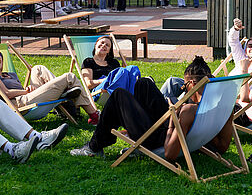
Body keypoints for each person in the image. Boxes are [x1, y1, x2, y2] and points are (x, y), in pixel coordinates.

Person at [71, 57, 233, 160]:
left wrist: (174, 117)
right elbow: (223, 147)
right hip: (174, 131)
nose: (183, 88)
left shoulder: (188, 111)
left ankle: (94, 146)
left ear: (191, 84)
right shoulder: (224, 106)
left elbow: (169, 154)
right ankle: (132, 119)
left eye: (184, 84)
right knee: (144, 84)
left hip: (157, 139)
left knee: (119, 95)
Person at [0, 46, 101, 125]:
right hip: (17, 104)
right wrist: (25, 92)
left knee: (38, 68)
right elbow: (5, 93)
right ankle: (93, 115)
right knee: (69, 77)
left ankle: (65, 94)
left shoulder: (9, 74)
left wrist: (27, 91)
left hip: (26, 97)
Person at [81, 36, 140, 100]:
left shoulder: (113, 62)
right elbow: (88, 84)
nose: (104, 45)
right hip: (99, 91)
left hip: (115, 87)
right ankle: (129, 99)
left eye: (107, 45)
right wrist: (107, 79)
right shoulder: (88, 62)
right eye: (102, 42)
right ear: (95, 45)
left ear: (109, 51)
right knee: (122, 71)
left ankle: (131, 97)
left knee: (133, 68)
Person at [228, 18, 252, 88]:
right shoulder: (241, 59)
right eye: (250, 46)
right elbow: (233, 41)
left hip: (238, 96)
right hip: (224, 89)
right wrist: (236, 29)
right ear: (245, 51)